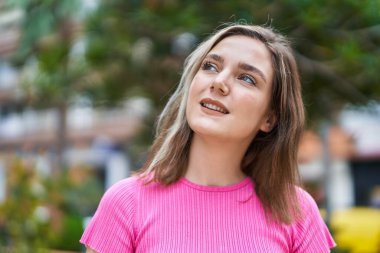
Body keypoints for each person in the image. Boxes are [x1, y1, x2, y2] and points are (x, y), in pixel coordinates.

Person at [80, 23, 336, 252]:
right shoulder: (126, 202)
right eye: (210, 66)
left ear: (269, 118)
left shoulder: (297, 211)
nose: (219, 82)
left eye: (246, 78)